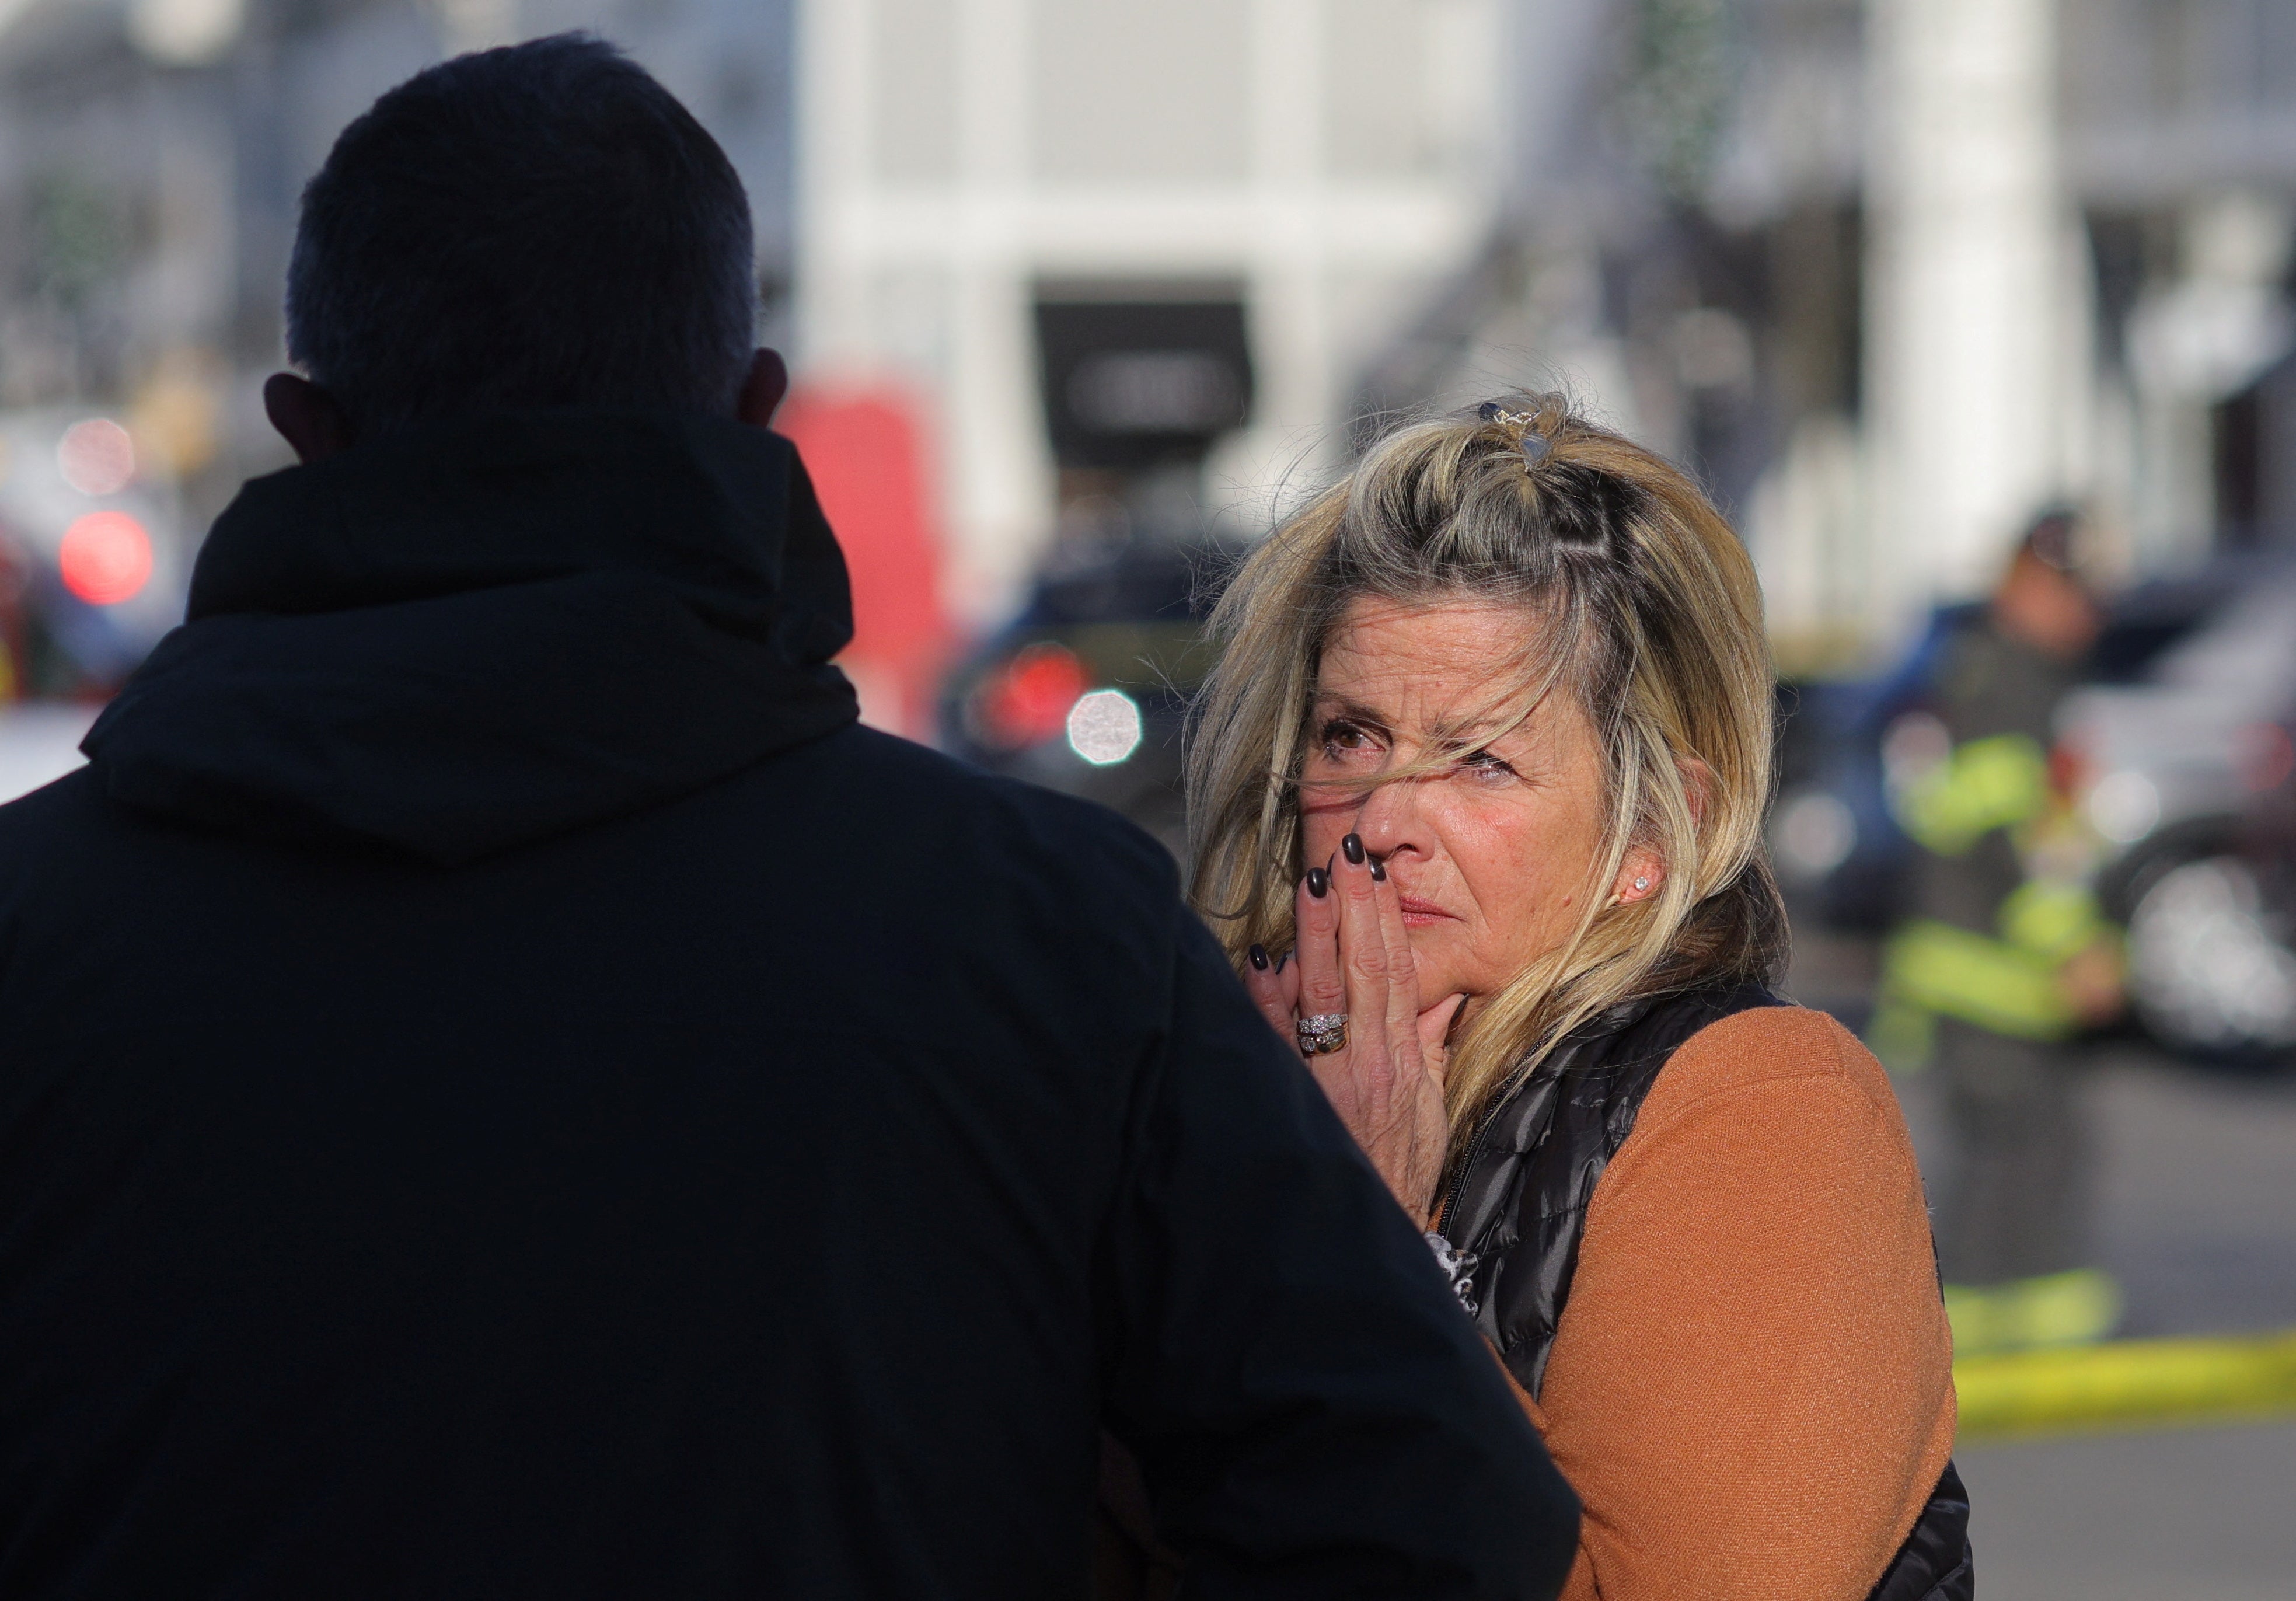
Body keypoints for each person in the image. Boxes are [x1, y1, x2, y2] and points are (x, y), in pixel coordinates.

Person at [0, 40, 1581, 1598]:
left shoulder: (37, 939)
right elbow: (1437, 1522)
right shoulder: (1039, 941)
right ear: (756, 412)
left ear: (304, 426)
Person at [1184, 397, 1970, 1600]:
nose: (1386, 820)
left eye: (1479, 759)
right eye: (1349, 736)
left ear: (1655, 829)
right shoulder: (1221, 1090)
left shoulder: (1755, 1104)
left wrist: (1370, 1251)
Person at [1878, 509, 2124, 1353]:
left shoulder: (1992, 673)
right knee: (2007, 1155)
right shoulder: (2008, 684)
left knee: (2031, 1146)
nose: (2090, 614)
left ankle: (2026, 1333)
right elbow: (2014, 837)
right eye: (2075, 593)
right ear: (2027, 581)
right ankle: (1977, 1346)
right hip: (1986, 974)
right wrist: (2071, 948)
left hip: (1987, 974)